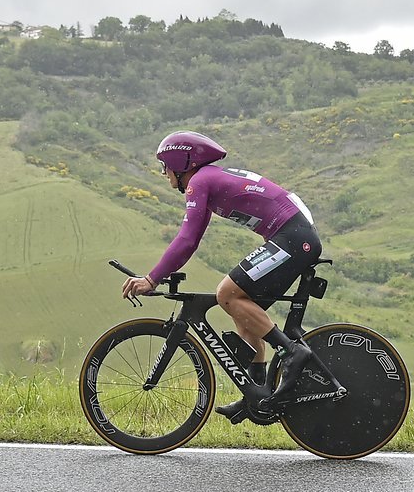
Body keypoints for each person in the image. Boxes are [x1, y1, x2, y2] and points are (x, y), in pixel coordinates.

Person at [121, 130, 322, 424]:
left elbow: (186, 240)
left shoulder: (199, 182)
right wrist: (160, 274)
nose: (164, 174)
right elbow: (191, 239)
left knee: (226, 294)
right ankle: (257, 393)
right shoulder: (209, 180)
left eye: (165, 167)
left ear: (180, 161)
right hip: (295, 236)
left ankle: (291, 351)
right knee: (246, 316)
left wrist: (151, 279)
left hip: (293, 238)